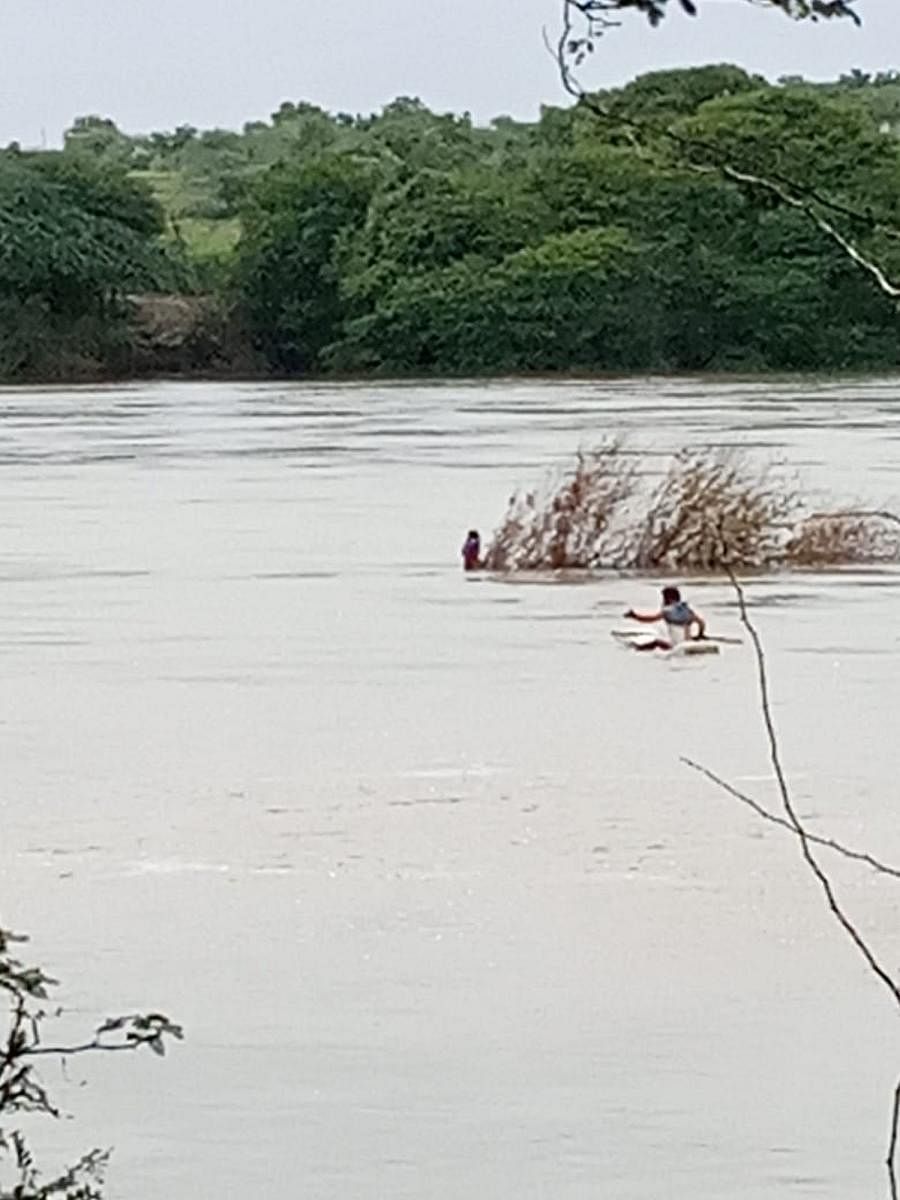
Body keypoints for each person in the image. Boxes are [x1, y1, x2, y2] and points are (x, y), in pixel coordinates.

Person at [623, 586, 706, 651]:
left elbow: (650, 619)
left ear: (668, 599)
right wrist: (700, 635)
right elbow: (701, 623)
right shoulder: (687, 610)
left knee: (656, 643)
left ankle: (636, 648)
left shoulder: (667, 611)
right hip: (688, 642)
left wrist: (635, 616)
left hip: (676, 646)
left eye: (663, 598)